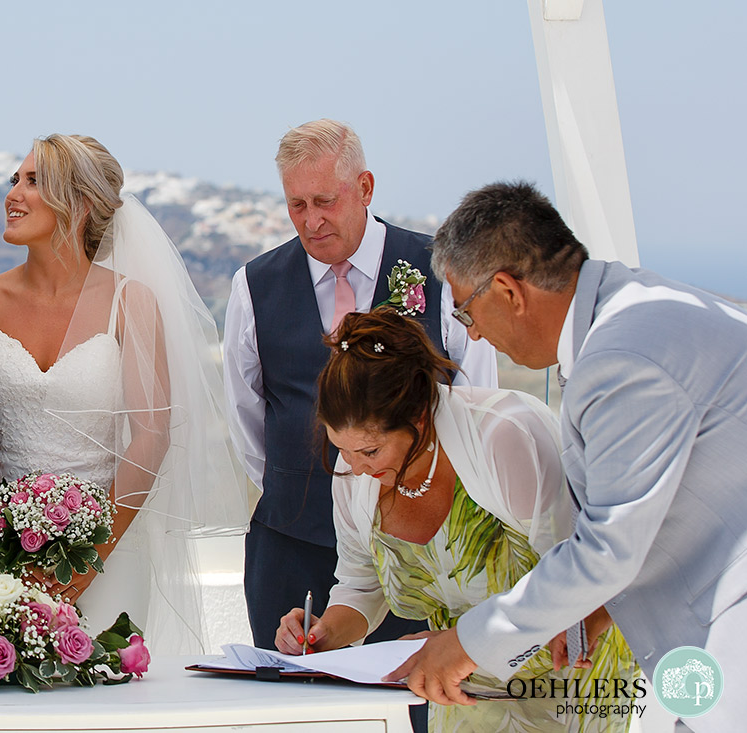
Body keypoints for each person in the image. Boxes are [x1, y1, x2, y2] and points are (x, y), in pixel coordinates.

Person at [389, 181, 747, 732]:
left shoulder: (622, 356)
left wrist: (469, 643)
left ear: (507, 290)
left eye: (465, 313)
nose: (475, 335)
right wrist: (596, 604)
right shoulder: (627, 315)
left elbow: (608, 546)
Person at [274, 307, 638, 731]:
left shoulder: (505, 437)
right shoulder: (354, 475)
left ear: (419, 419)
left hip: (568, 678)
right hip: (456, 688)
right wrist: (321, 636)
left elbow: (582, 580)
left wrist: (464, 643)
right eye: (343, 448)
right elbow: (361, 584)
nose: (355, 468)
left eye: (370, 452)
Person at [0, 134, 248, 654]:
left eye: (34, 181)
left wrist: (90, 555)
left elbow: (152, 433)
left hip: (108, 549)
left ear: (82, 204)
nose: (13, 193)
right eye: (14, 180)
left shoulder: (131, 303)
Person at [223, 119, 498, 653]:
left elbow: (473, 401)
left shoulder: (439, 271)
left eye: (323, 200)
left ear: (365, 188)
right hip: (291, 544)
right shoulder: (253, 285)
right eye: (296, 205)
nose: (311, 220)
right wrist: (298, 484)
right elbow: (246, 414)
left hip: (421, 545)